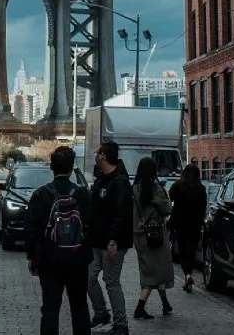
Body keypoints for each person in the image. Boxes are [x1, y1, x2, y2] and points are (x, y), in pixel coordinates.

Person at [25, 146, 92, 335]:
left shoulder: (41, 194)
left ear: (51, 167)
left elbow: (32, 230)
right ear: (72, 168)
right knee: (79, 307)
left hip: (50, 260)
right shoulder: (82, 194)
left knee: (50, 308)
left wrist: (33, 257)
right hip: (77, 260)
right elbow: (91, 225)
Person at [88, 142, 133, 335]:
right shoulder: (100, 180)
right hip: (95, 241)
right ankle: (101, 313)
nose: (95, 155)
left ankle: (121, 324)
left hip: (112, 242)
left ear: (103, 156)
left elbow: (122, 214)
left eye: (98, 152)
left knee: (111, 280)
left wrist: (114, 240)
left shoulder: (120, 182)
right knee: (88, 278)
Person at [132, 157, 174, 320]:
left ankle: (165, 304)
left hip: (139, 235)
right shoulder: (155, 188)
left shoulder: (134, 188)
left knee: (153, 271)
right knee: (155, 273)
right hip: (155, 235)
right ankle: (140, 308)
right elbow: (167, 209)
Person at [169, 164, 207, 292]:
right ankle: (189, 274)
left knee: (183, 250)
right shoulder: (201, 189)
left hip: (180, 223)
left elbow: (171, 198)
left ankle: (187, 275)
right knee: (192, 250)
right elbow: (203, 207)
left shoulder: (177, 186)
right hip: (195, 224)